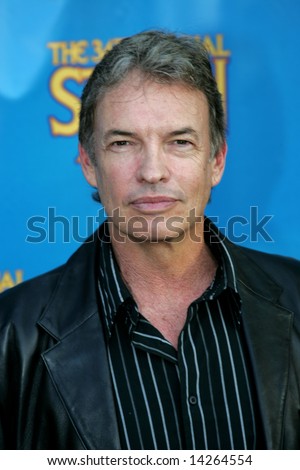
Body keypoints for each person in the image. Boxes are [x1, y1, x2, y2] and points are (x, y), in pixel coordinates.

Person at [0, 30, 300, 451]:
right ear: (89, 162)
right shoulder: (10, 336)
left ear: (215, 161)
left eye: (179, 142)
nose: (153, 171)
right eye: (124, 143)